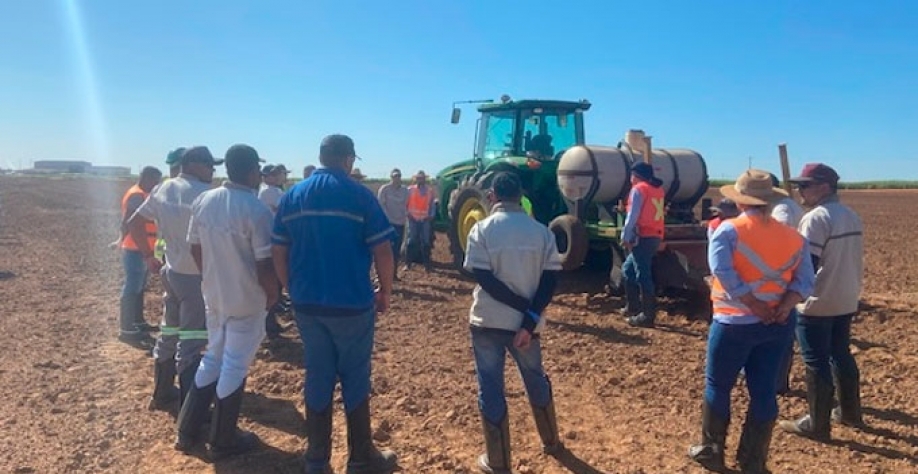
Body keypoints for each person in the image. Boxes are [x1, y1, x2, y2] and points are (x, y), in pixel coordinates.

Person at [272, 134, 397, 474]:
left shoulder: (292, 196)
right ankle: (361, 459)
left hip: (307, 304)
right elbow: (383, 250)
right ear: (348, 159)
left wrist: (290, 287)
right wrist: (385, 291)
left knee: (318, 374)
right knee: (355, 377)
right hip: (351, 304)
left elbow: (279, 249)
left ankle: (316, 460)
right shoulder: (360, 196)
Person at [688, 169, 814, 474]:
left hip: (733, 323)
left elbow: (722, 272)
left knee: (718, 385)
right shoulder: (795, 237)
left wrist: (754, 304)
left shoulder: (728, 231)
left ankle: (712, 451)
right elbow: (805, 281)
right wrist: (783, 307)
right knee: (764, 389)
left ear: (740, 201)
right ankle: (753, 460)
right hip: (778, 324)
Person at [176, 144, 277, 458]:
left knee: (213, 357)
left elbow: (194, 247)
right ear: (252, 171)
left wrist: (209, 276)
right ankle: (223, 439)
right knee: (234, 363)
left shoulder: (205, 200)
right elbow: (264, 264)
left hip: (214, 295)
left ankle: (187, 429)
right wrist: (272, 295)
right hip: (246, 298)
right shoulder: (256, 210)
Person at [463, 172, 564, 473]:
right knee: (535, 377)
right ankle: (551, 441)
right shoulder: (542, 233)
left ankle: (498, 461)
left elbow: (484, 279)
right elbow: (550, 281)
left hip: (488, 321)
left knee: (491, 386)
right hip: (526, 326)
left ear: (492, 195)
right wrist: (529, 317)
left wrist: (520, 307)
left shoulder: (481, 230)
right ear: (521, 196)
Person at [128, 146, 219, 411]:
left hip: (172, 271)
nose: (213, 171)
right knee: (192, 339)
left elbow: (134, 222)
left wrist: (148, 256)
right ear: (193, 164)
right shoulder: (206, 194)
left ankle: (162, 392)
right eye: (210, 165)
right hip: (196, 275)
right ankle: (190, 409)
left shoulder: (163, 188)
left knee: (169, 330)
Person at [779, 163, 865, 441]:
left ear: (824, 187)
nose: (800, 191)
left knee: (815, 360)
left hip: (818, 300)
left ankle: (817, 423)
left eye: (805, 185)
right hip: (846, 297)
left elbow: (807, 265)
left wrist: (788, 294)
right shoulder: (850, 215)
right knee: (840, 353)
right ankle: (850, 412)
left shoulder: (815, 218)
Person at [767, 173, 806, 395]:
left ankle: (777, 381)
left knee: (780, 332)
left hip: (782, 276)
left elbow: (779, 241)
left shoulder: (781, 209)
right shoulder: (790, 205)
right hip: (791, 273)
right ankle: (778, 380)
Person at [117, 166, 163, 347]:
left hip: (142, 249)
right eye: (155, 181)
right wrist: (121, 239)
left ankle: (137, 322)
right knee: (132, 287)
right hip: (136, 249)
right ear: (147, 178)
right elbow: (130, 221)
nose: (157, 185)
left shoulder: (143, 194)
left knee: (139, 286)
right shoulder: (137, 195)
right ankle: (127, 328)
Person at [621, 162, 666, 328]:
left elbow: (633, 216)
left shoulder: (639, 190)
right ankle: (632, 306)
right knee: (628, 270)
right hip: (654, 235)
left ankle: (647, 316)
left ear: (636, 176)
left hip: (643, 236)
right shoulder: (657, 190)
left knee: (643, 275)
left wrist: (625, 236)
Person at [258, 164, 291, 338]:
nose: (284, 176)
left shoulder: (269, 191)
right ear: (272, 175)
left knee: (274, 284)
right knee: (274, 284)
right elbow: (286, 210)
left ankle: (270, 322)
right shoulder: (270, 191)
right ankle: (269, 324)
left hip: (271, 240)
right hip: (273, 241)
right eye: (282, 173)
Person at [377, 168, 410, 281]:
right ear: (391, 177)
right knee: (386, 250)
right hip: (388, 224)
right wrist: (387, 220)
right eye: (395, 176)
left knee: (396, 250)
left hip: (400, 223)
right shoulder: (385, 189)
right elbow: (381, 206)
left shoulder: (405, 191)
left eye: (398, 176)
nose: (397, 178)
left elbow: (407, 204)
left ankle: (393, 274)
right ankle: (381, 276)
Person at [404, 170, 437, 272]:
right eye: (419, 178)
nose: (420, 180)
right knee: (411, 241)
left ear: (424, 179)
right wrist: (407, 214)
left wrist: (431, 216)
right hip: (412, 219)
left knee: (426, 242)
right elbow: (404, 203)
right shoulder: (410, 190)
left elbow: (432, 205)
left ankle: (427, 265)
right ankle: (408, 264)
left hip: (425, 219)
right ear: (416, 179)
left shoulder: (429, 191)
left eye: (422, 178)